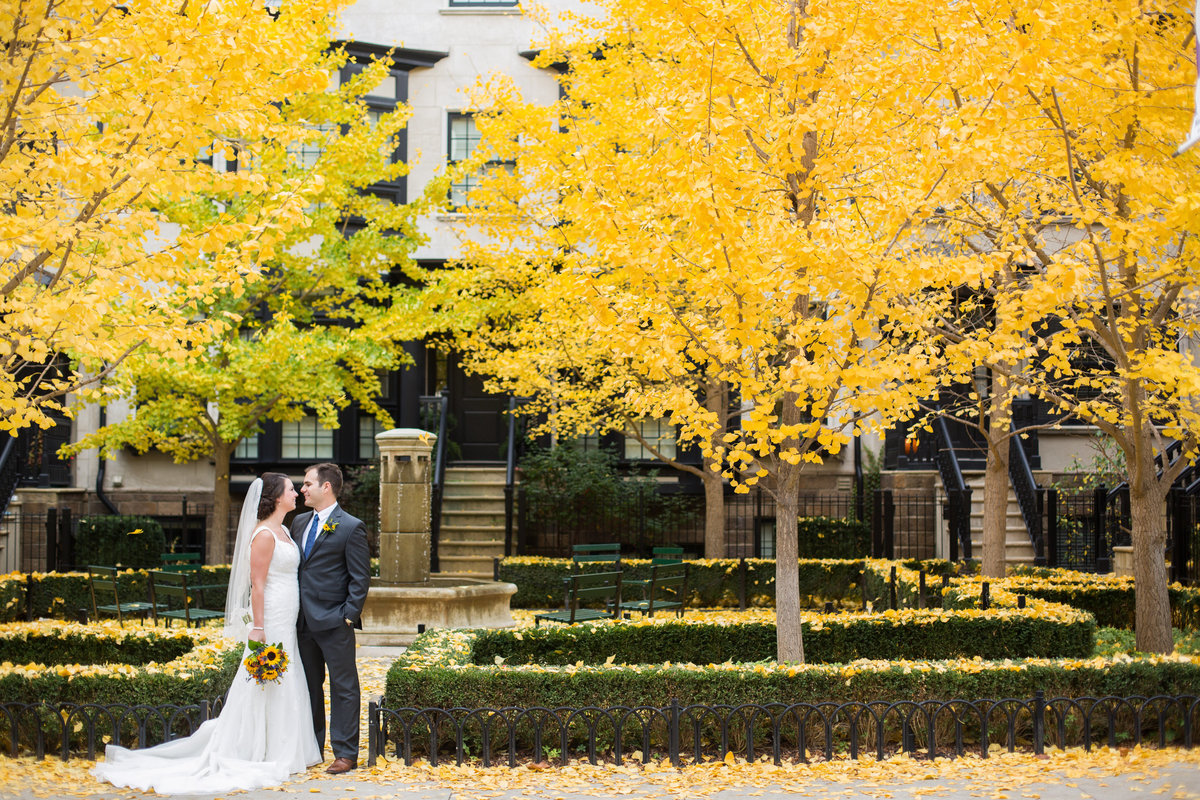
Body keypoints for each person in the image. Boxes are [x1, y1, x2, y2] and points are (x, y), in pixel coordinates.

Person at [92, 473, 321, 794]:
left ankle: (284, 746)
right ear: (275, 497)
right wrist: (258, 626)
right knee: (264, 678)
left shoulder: (285, 530)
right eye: (290, 490)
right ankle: (257, 748)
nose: (296, 493)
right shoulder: (265, 535)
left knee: (285, 675)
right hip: (270, 618)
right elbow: (257, 584)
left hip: (288, 617)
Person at [292, 462, 370, 774]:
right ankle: (312, 747)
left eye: (308, 484)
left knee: (344, 687)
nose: (302, 489)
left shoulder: (350, 526)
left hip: (336, 622)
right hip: (301, 623)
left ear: (326, 487)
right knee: (309, 686)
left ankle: (346, 753)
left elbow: (360, 578)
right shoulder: (298, 523)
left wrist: (348, 616)